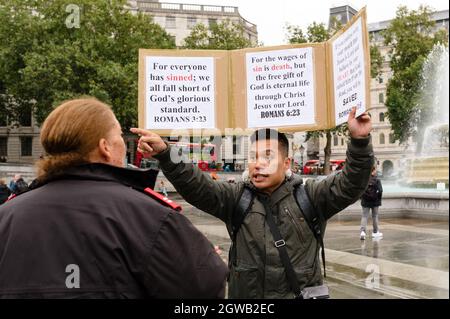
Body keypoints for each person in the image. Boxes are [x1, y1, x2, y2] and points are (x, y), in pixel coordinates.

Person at [131, 107, 374, 299]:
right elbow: (198, 187)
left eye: (267, 156)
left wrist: (360, 142)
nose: (257, 164)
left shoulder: (310, 196)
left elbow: (350, 183)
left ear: (287, 163)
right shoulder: (236, 197)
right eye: (253, 157)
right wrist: (165, 154)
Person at [0, 98, 228, 298]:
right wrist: (197, 257)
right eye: (119, 135)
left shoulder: (6, 216)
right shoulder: (149, 216)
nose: (123, 143)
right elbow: (205, 286)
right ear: (105, 147)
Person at [360, 164, 383, 240]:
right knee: (375, 216)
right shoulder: (377, 180)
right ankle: (375, 232)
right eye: (375, 170)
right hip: (375, 201)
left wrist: (362, 197)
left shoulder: (364, 180)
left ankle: (363, 232)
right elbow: (380, 191)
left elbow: (360, 190)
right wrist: (378, 199)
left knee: (364, 216)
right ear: (372, 171)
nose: (376, 171)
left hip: (365, 201)